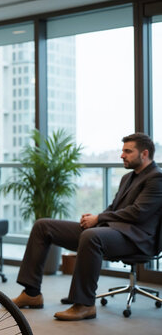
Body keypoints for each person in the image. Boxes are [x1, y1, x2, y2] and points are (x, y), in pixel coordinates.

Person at [12, 132, 162, 321]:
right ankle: (31, 293)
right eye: (122, 151)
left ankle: (84, 304)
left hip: (138, 239)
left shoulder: (156, 178)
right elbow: (114, 208)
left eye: (128, 151)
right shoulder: (128, 178)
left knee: (92, 236)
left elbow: (138, 213)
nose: (122, 155)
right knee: (43, 226)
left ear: (145, 153)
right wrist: (95, 218)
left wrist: (99, 218)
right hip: (113, 231)